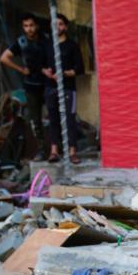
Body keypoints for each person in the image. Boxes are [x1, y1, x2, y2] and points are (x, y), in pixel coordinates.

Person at [0, 13, 51, 160]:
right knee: (35, 120)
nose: (29, 29)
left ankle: (56, 148)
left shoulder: (46, 40)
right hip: (31, 85)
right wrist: (21, 69)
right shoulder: (21, 42)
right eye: (26, 26)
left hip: (48, 83)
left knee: (54, 116)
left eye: (31, 25)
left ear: (37, 26)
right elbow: (4, 58)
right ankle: (41, 150)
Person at [42, 15, 85, 164]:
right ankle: (54, 151)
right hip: (50, 88)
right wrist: (46, 72)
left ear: (65, 27)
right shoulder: (47, 45)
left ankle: (72, 152)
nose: (57, 27)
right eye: (55, 24)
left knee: (69, 120)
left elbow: (80, 69)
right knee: (53, 119)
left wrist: (64, 73)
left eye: (60, 24)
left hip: (68, 89)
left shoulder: (72, 46)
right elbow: (40, 65)